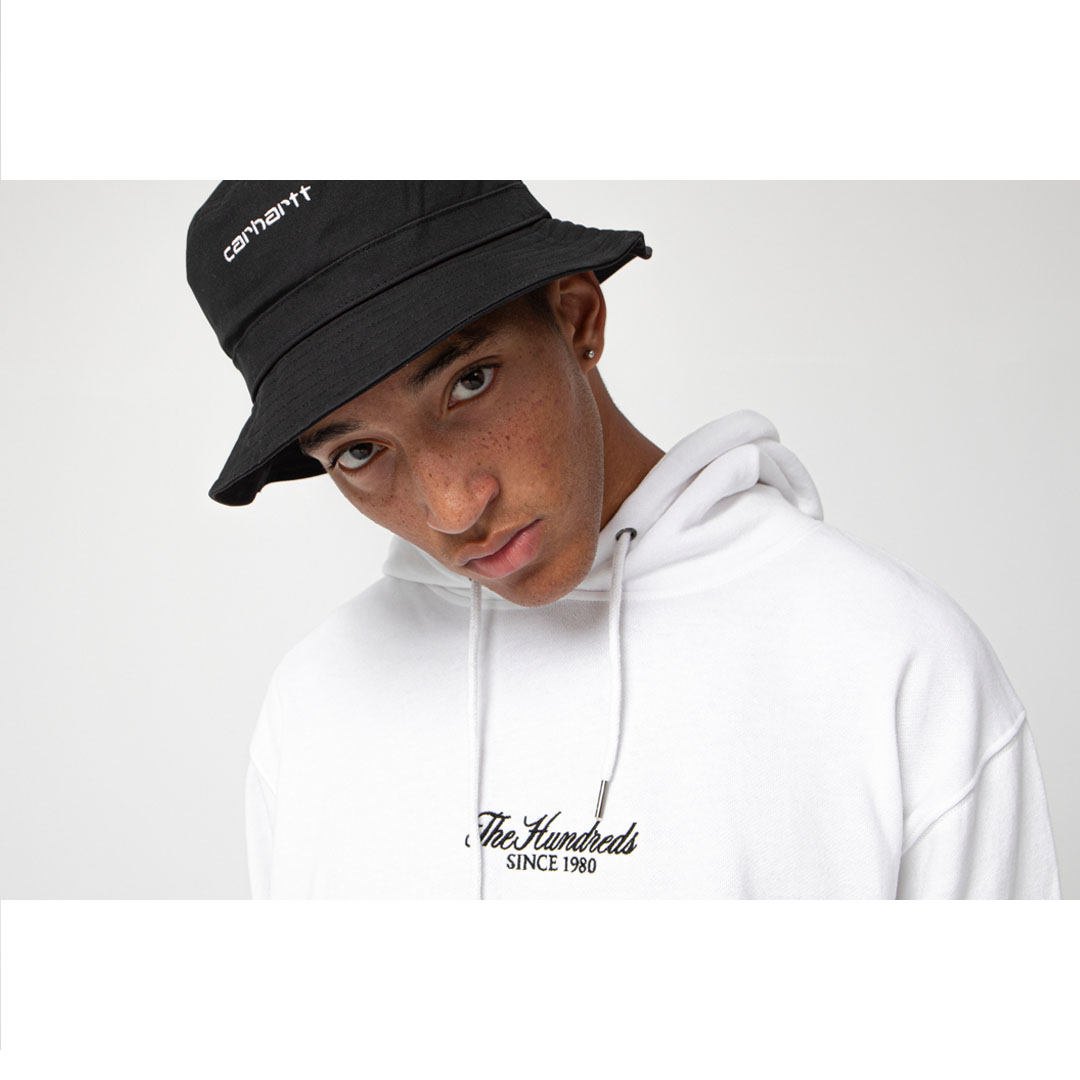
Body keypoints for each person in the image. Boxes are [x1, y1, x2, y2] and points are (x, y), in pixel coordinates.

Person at [186, 180, 1061, 899]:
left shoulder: (890, 663)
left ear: (577, 319)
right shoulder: (315, 701)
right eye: (359, 452)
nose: (453, 508)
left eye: (470, 381)